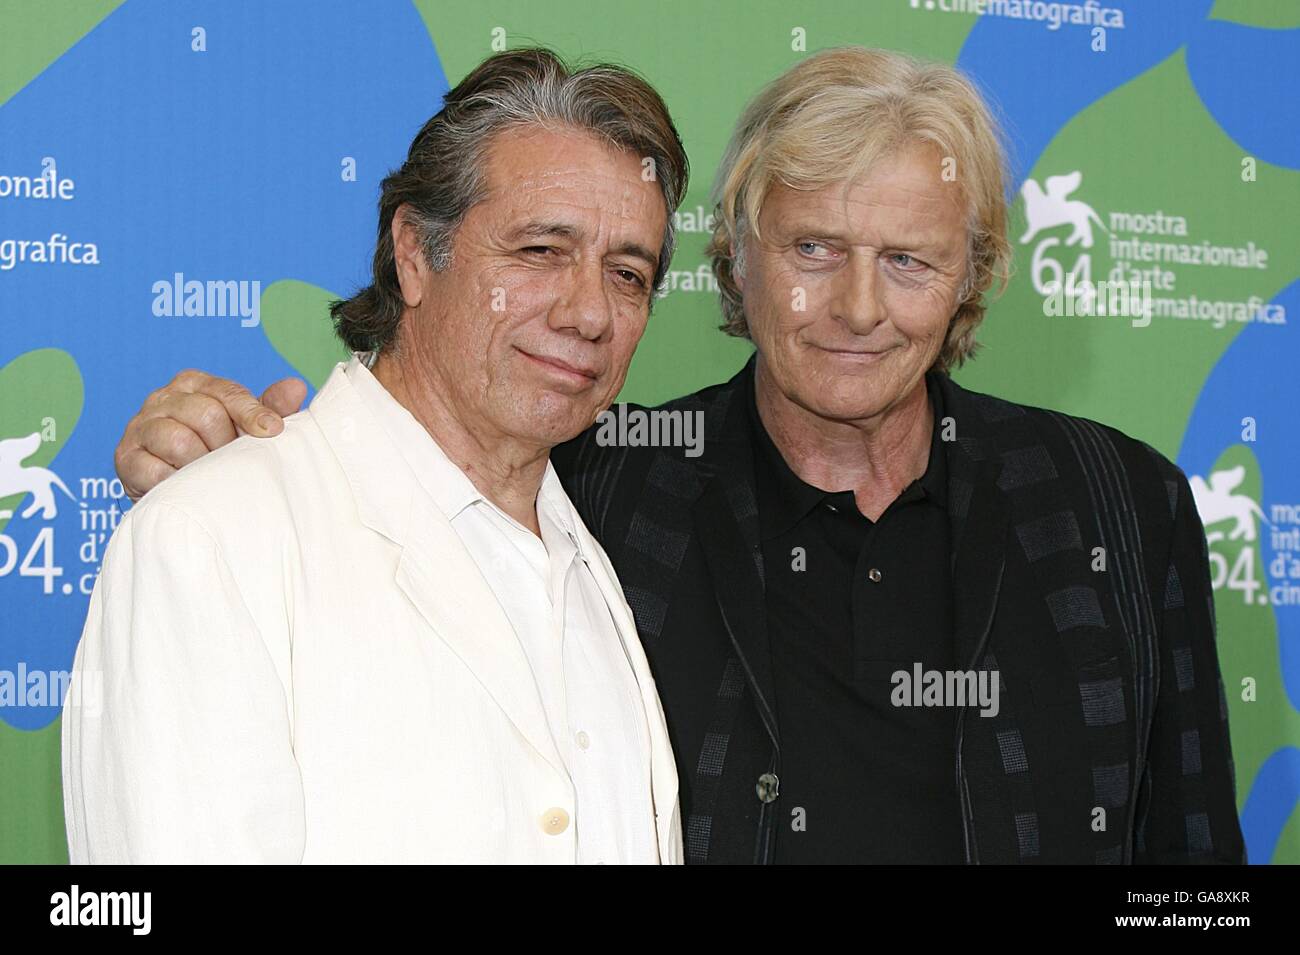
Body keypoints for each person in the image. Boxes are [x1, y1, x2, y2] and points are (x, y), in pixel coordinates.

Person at [107, 47, 1246, 864]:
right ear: (734, 265)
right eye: (811, 247)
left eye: (908, 260)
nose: (856, 306)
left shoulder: (1117, 506)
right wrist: (218, 466)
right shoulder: (602, 483)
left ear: (970, 282)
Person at [62, 48, 689, 863]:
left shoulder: (596, 558)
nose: (589, 312)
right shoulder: (213, 535)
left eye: (628, 273)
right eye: (540, 251)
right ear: (415, 252)